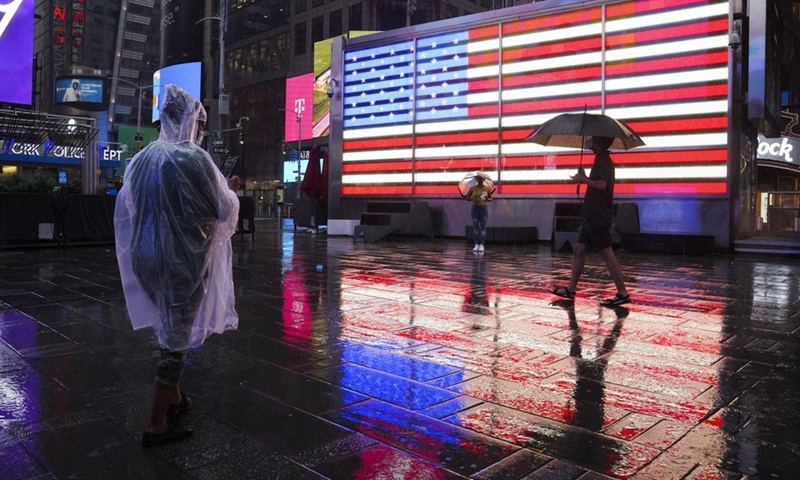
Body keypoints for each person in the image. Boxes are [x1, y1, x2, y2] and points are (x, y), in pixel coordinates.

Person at [114, 84, 241, 446]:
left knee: (169, 328)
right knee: (176, 341)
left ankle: (175, 397)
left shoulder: (143, 159)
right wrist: (228, 188)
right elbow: (222, 211)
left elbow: (132, 207)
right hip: (181, 264)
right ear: (190, 121)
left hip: (145, 258)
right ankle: (156, 424)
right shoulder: (195, 159)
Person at [551, 136, 630, 306]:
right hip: (592, 214)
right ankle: (571, 290)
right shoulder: (601, 161)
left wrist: (583, 180)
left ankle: (622, 293)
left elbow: (601, 185)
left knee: (606, 253)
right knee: (579, 249)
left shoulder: (603, 161)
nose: (590, 142)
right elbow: (598, 182)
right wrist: (585, 177)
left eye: (593, 140)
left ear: (599, 144)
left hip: (598, 215)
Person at [466, 175, 493, 253]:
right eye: (478, 179)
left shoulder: (487, 189)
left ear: (483, 179)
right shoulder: (473, 188)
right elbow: (467, 197)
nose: (479, 180)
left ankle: (482, 244)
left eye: (481, 179)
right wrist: (472, 198)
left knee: (483, 226)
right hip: (475, 208)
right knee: (475, 226)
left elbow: (491, 198)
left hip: (483, 208)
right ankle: (476, 243)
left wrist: (487, 198)